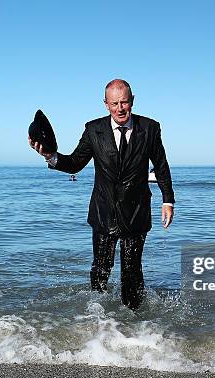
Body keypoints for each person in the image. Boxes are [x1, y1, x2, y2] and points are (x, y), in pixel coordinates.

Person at [29, 79, 175, 310]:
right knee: (100, 269)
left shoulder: (150, 128)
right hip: (103, 211)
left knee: (132, 271)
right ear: (105, 104)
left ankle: (136, 323)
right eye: (114, 103)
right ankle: (98, 319)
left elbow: (161, 165)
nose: (120, 108)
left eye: (124, 102)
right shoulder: (93, 129)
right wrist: (50, 156)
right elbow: (75, 163)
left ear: (132, 101)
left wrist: (168, 200)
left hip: (136, 211)